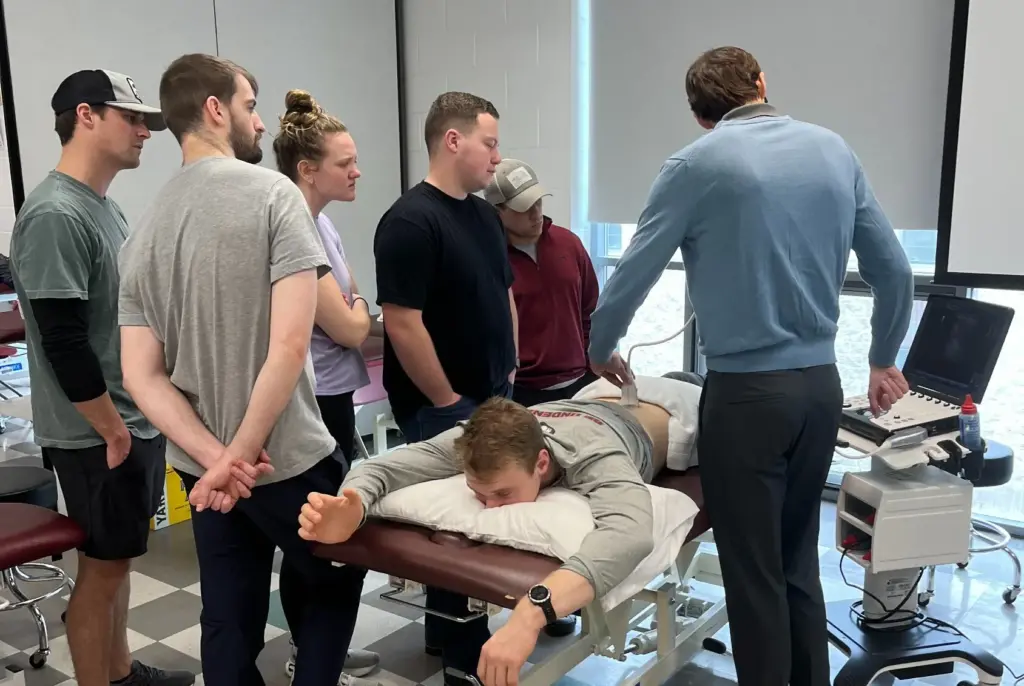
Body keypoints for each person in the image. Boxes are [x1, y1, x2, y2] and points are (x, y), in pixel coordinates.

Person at [586, 46, 915, 686]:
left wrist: (601, 346)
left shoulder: (694, 164)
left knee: (752, 574)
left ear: (703, 116)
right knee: (797, 562)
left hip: (745, 399)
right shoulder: (834, 151)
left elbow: (634, 271)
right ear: (762, 84)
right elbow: (895, 270)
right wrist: (882, 359)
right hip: (821, 391)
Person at [117, 54, 376, 686]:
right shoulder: (274, 194)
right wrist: (240, 455)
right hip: (285, 457)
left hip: (206, 472)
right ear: (214, 109)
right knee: (334, 582)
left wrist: (216, 461)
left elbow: (142, 377)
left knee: (228, 618)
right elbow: (289, 346)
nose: (260, 124)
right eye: (249, 106)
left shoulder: (141, 230)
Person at [8, 69, 193, 686]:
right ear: (85, 115)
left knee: (116, 562)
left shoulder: (101, 206)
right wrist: (113, 429)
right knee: (103, 570)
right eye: (131, 118)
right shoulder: (56, 214)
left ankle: (118, 673)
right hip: (97, 432)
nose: (145, 131)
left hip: (126, 419)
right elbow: (61, 339)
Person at [296, 392, 676, 686]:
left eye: (504, 495)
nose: (491, 508)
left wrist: (531, 615)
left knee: (687, 391)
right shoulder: (475, 440)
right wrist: (354, 505)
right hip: (561, 407)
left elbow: (631, 531)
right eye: (480, 494)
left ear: (541, 464)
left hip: (643, 415)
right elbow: (387, 465)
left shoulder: (594, 455)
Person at [372, 91, 517, 654]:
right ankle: (457, 646)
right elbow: (403, 324)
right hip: (442, 404)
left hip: (494, 390)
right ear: (453, 141)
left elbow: (503, 292)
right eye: (490, 143)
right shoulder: (409, 220)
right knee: (453, 525)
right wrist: (447, 401)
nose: (497, 157)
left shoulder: (482, 213)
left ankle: (462, 628)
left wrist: (513, 359)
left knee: (487, 511)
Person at [271, 88, 379, 682]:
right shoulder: (294, 230)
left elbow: (351, 305)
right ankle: (308, 654)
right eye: (346, 162)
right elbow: (348, 323)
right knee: (320, 537)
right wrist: (355, 311)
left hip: (336, 394)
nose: (357, 170)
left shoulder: (324, 225)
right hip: (311, 401)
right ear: (307, 169)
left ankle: (319, 649)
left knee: (326, 530)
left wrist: (353, 309)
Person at [483, 159, 600, 407]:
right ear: (497, 211)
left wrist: (594, 362)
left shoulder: (569, 243)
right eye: (524, 208)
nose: (536, 213)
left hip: (580, 384)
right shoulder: (488, 258)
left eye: (538, 202)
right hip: (521, 392)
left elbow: (590, 309)